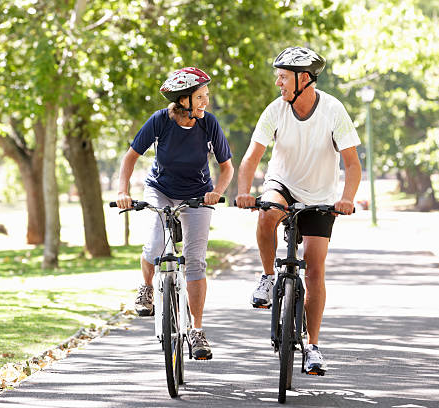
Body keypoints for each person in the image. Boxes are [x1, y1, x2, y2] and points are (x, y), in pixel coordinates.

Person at [235, 47, 361, 375]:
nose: (278, 82)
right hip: (284, 185)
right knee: (267, 214)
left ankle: (314, 346)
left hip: (321, 197)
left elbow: (352, 164)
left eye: (283, 76)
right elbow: (251, 158)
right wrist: (244, 192)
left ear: (304, 79)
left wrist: (346, 198)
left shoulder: (333, 110)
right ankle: (266, 277)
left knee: (315, 270)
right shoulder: (275, 110)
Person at [116, 67, 234, 360]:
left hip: (198, 194)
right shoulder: (159, 121)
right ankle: (146, 287)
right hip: (161, 190)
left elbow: (227, 167)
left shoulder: (209, 124)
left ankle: (196, 331)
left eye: (206, 95)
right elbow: (130, 157)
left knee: (195, 260)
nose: (206, 101)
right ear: (183, 100)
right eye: (201, 96)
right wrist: (122, 192)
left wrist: (216, 192)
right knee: (156, 245)